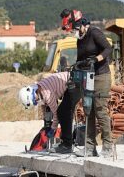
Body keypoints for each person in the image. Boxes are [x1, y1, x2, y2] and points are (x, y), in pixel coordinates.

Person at [56, 9, 113, 157]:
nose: (73, 32)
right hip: (87, 78)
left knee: (100, 111)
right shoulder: (79, 39)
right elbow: (81, 59)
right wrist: (75, 67)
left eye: (74, 28)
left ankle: (108, 146)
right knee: (89, 112)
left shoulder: (94, 33)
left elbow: (108, 48)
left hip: (101, 76)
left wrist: (95, 59)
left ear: (80, 23)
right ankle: (89, 148)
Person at [18, 72, 70, 142]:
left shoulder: (47, 95)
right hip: (65, 81)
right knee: (58, 112)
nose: (37, 102)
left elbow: (56, 113)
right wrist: (46, 122)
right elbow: (43, 105)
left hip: (70, 82)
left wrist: (53, 129)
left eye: (35, 101)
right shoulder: (39, 88)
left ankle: (67, 142)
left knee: (62, 113)